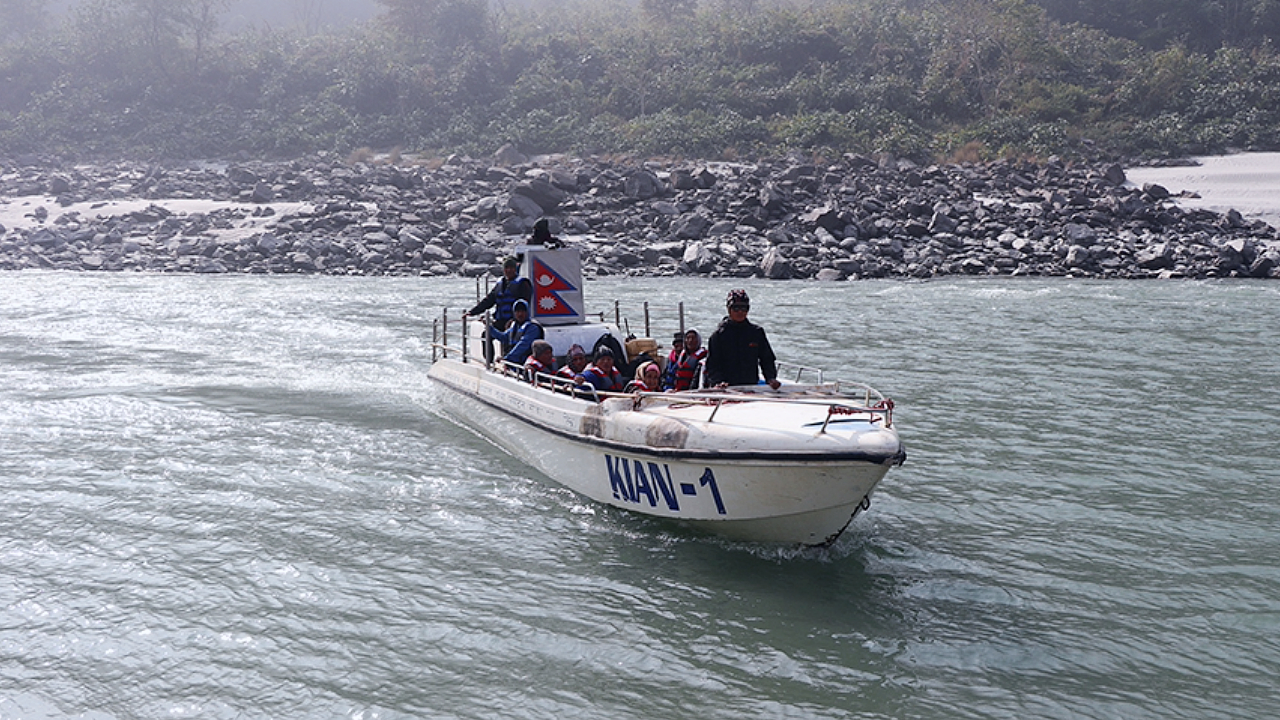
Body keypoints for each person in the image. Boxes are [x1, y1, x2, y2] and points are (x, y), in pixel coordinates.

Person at [704, 289, 780, 390]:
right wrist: (718, 382)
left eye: (744, 308)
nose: (740, 312)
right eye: (736, 308)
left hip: (751, 387)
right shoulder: (718, 336)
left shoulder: (756, 332)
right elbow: (712, 365)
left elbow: (767, 359)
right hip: (726, 389)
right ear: (729, 309)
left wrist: (770, 378)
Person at [463, 256, 532, 363]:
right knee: (486, 335)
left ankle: (507, 363)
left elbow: (524, 304)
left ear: (515, 269)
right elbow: (489, 300)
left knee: (508, 339)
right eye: (506, 268)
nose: (509, 270)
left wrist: (515, 320)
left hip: (516, 321)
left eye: (511, 268)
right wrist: (472, 312)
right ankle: (489, 362)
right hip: (501, 319)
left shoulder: (523, 283)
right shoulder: (500, 283)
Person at [490, 299, 543, 366]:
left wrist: (507, 358)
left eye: (523, 311)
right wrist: (490, 328)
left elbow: (523, 345)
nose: (520, 314)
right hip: (514, 362)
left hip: (528, 363)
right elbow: (504, 337)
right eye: (517, 311)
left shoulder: (533, 327)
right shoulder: (514, 325)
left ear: (527, 312)